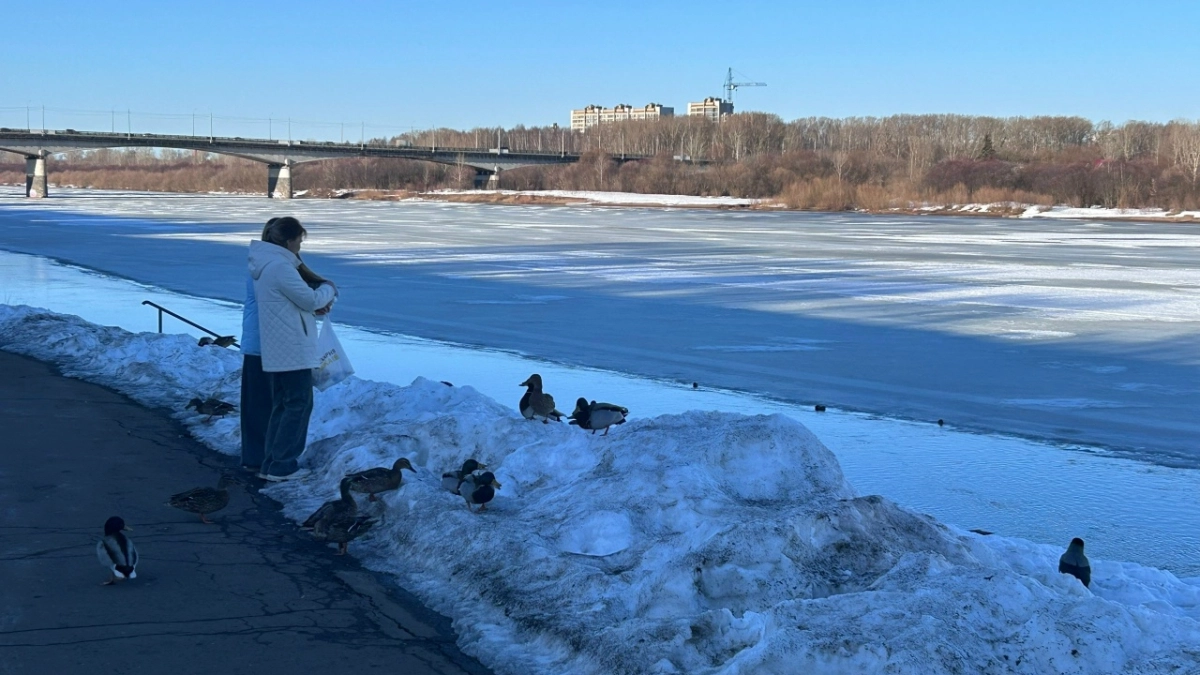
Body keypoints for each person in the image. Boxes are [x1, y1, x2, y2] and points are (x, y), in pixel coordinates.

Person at [239, 218, 334, 474]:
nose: (301, 245)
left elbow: (286, 304)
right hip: (280, 346)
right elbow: (306, 300)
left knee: (271, 405)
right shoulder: (279, 267)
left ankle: (263, 460)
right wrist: (326, 291)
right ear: (290, 240)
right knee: (291, 404)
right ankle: (277, 465)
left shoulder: (262, 264)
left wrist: (312, 306)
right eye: (300, 240)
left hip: (268, 343)